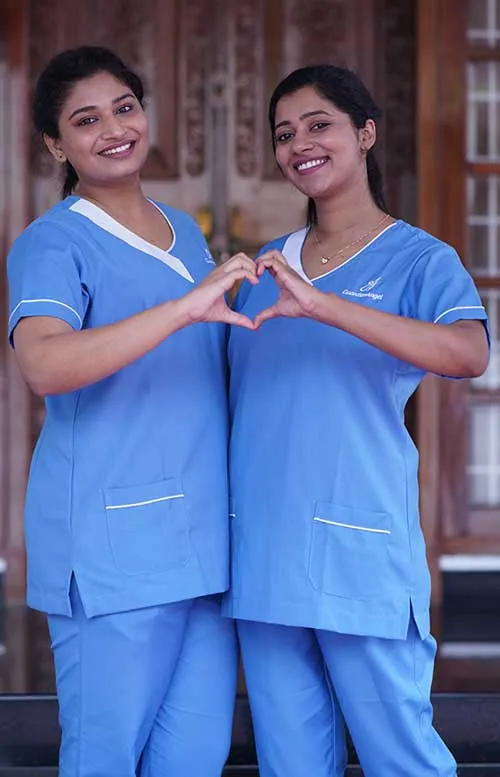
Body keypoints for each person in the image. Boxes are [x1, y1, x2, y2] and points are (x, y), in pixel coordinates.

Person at [223, 64, 490, 777]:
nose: (299, 144)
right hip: (265, 558)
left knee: (402, 759)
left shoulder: (419, 259)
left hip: (358, 554)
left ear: (365, 133)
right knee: (291, 764)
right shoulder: (259, 274)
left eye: (319, 125)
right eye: (284, 134)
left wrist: (326, 305)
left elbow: (468, 352)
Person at [7, 45, 257, 777]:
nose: (114, 128)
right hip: (113, 550)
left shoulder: (183, 230)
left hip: (201, 545)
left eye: (124, 107)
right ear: (57, 144)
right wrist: (184, 309)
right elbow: (44, 361)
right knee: (105, 760)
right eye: (86, 120)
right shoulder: (53, 242)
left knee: (193, 758)